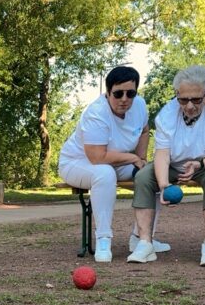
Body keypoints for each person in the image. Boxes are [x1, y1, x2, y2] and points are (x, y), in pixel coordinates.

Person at [127, 65, 205, 266]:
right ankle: (145, 243)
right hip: (176, 163)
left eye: (196, 99)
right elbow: (162, 154)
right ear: (177, 95)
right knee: (144, 175)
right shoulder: (167, 114)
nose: (189, 106)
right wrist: (163, 186)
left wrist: (201, 163)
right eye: (183, 99)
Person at [57, 66, 169, 263]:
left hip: (115, 161)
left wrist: (141, 158)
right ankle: (103, 240)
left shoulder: (139, 105)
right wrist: (133, 159)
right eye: (118, 93)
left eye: (130, 93)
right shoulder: (96, 113)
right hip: (77, 163)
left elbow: (144, 130)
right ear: (108, 92)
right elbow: (97, 157)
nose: (124, 99)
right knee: (105, 173)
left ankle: (141, 239)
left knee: (152, 173)